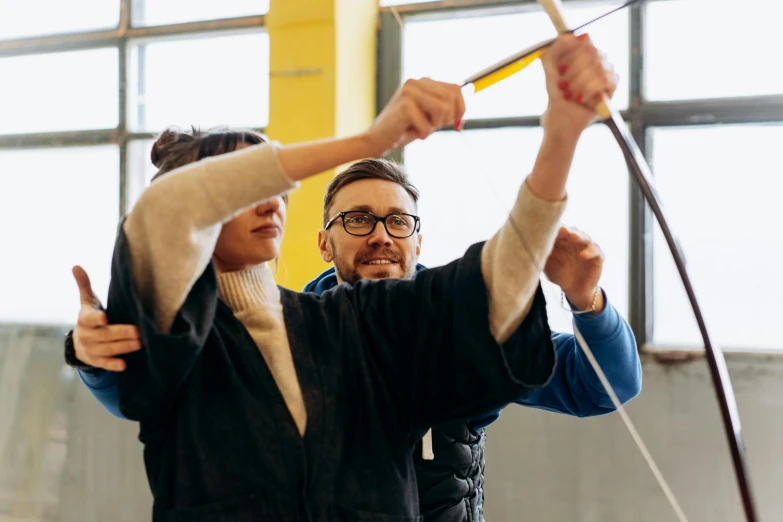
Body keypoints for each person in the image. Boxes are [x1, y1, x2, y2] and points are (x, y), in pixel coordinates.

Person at [66, 34, 618, 521]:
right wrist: (369, 142)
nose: (272, 200)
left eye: (276, 188)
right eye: (242, 185)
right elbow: (166, 213)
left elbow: (497, 284)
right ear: (325, 241)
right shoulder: (183, 338)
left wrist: (562, 133)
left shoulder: (355, 322)